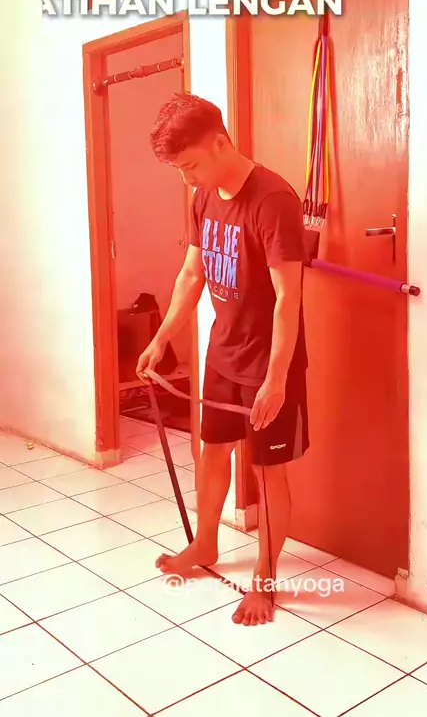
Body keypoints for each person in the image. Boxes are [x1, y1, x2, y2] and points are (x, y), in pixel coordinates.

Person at [136, 92, 309, 626]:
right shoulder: (203, 197)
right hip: (223, 353)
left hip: (268, 362)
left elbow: (288, 298)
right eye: (178, 170)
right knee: (213, 453)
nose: (186, 179)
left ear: (219, 143)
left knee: (267, 471)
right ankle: (206, 542)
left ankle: (265, 577)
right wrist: (162, 338)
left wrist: (276, 379)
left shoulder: (273, 199)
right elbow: (193, 274)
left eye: (189, 165)